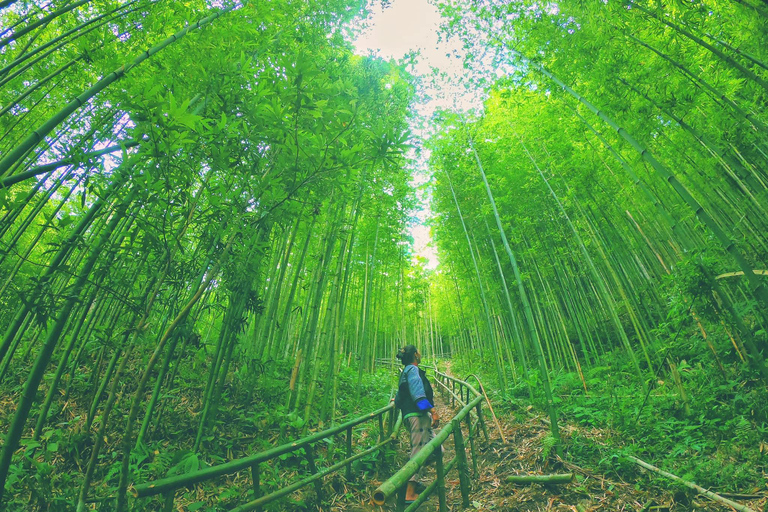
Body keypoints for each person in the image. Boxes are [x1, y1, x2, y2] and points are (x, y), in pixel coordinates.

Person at [394, 345, 439, 503]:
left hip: (413, 416)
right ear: (415, 355)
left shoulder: (405, 372)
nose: (420, 354)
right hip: (417, 416)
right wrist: (433, 411)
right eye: (418, 352)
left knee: (437, 449)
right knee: (418, 452)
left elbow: (399, 399)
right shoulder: (412, 371)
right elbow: (418, 395)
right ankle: (409, 493)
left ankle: (411, 478)